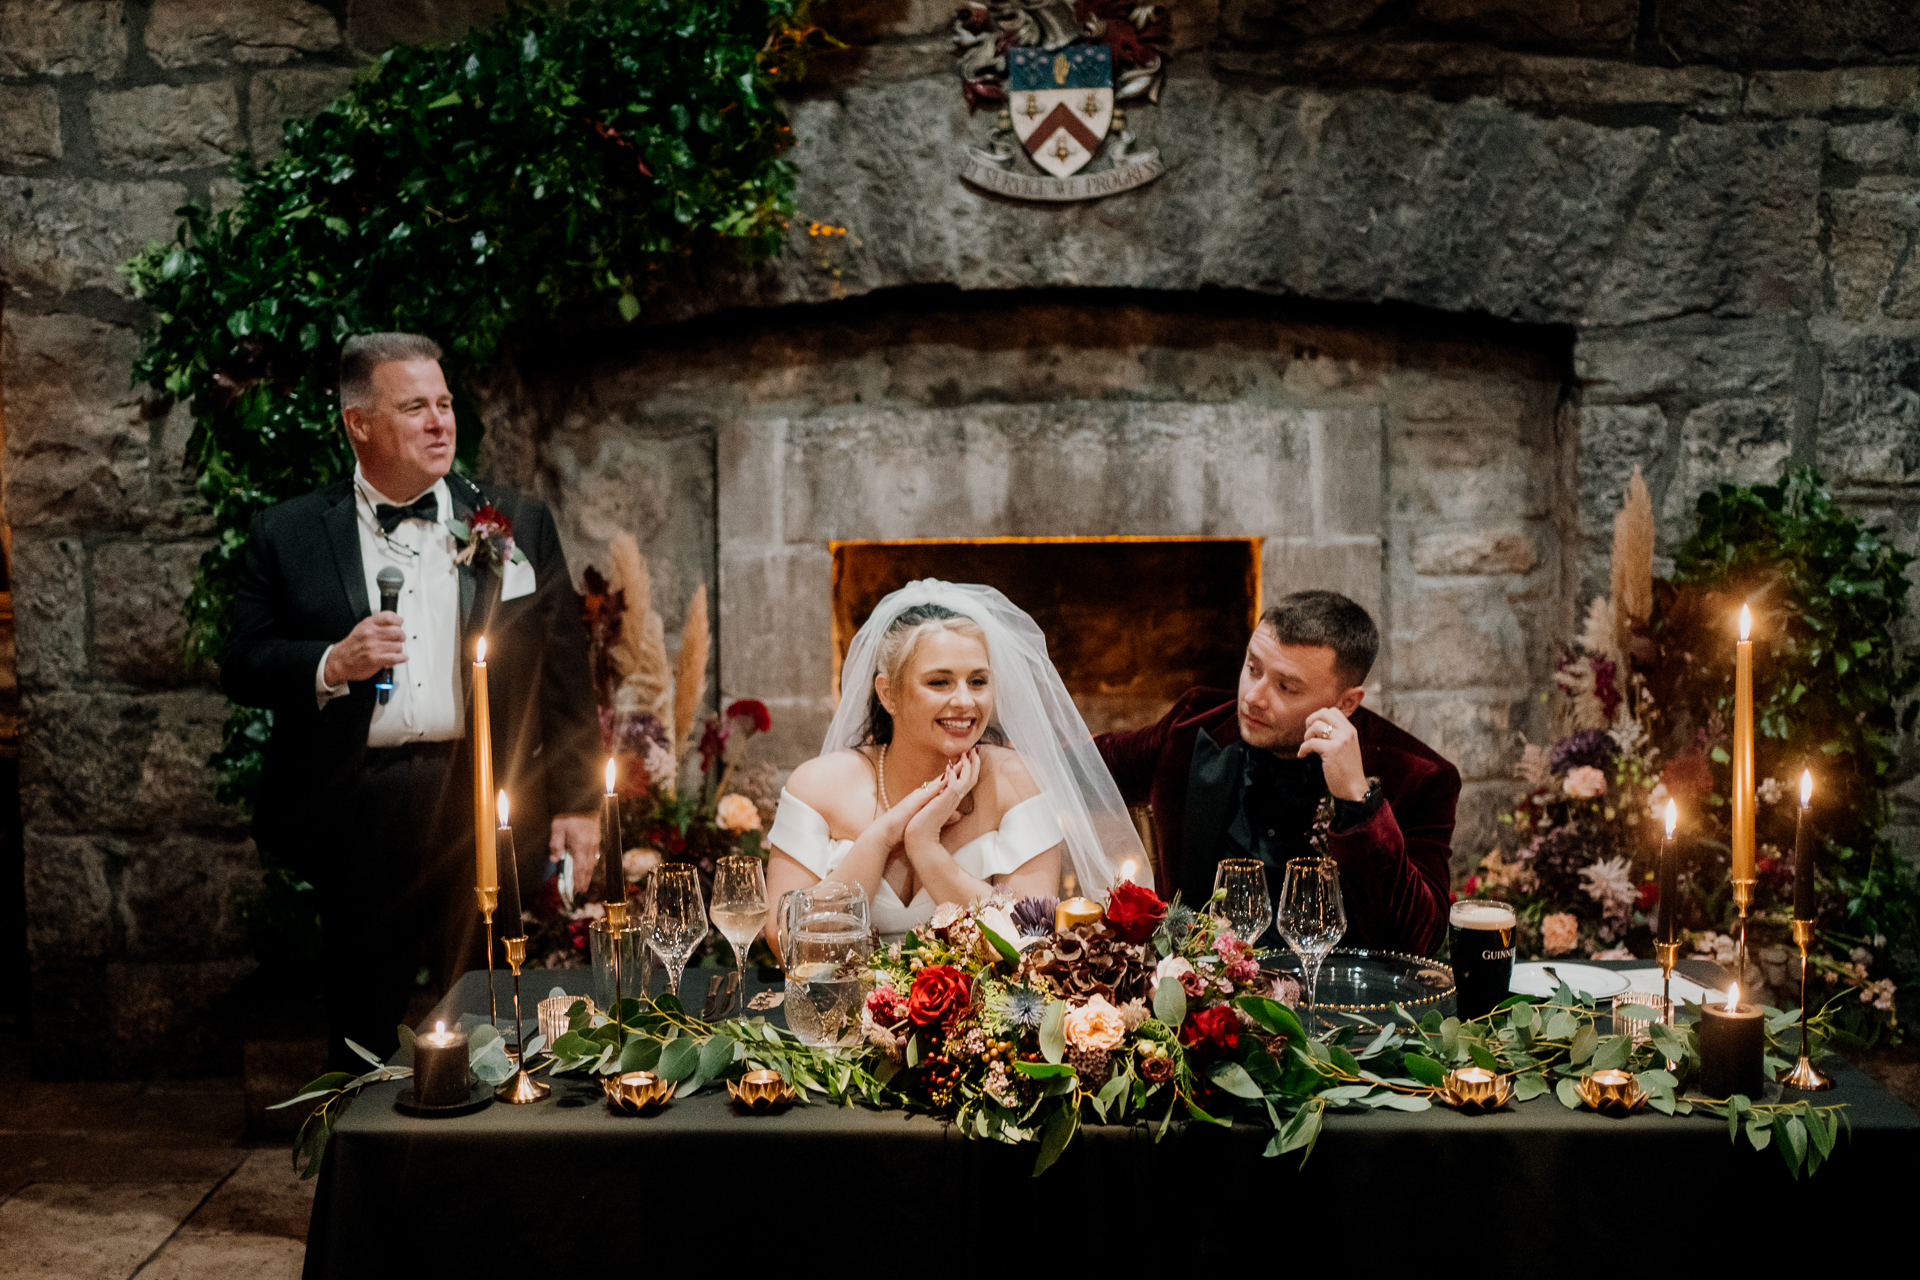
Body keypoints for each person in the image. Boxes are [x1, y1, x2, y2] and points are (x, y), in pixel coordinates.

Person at [222, 332, 603, 1070]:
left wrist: (579, 801)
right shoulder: (290, 533)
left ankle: (490, 1169)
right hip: (358, 807)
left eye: (445, 404)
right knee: (361, 1029)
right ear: (358, 423)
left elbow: (565, 670)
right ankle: (368, 1175)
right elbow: (242, 663)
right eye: (414, 407)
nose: (440, 423)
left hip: (483, 797)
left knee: (494, 1017)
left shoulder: (515, 520)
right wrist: (332, 660)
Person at [766, 581, 1144, 943]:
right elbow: (785, 943)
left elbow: (1031, 945)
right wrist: (882, 837)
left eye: (978, 681)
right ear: (888, 693)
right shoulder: (817, 786)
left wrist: (924, 845)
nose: (965, 701)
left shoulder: (1017, 782)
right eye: (940, 682)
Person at [1096, 591, 1457, 955]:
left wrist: (1357, 801)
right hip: (1202, 996)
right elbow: (1084, 766)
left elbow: (1416, 943)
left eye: (1286, 687)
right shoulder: (1193, 725)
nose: (1254, 696)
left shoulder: (1418, 776)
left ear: (1346, 703)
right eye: (1253, 669)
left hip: (1337, 1003)